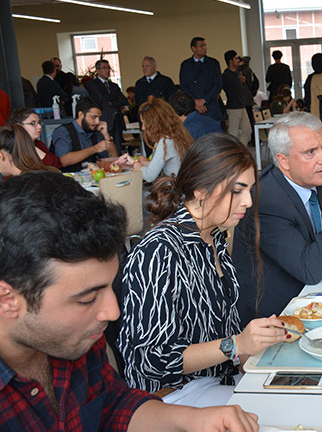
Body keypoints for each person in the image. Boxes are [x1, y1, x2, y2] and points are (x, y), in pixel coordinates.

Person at [0, 171, 260, 431]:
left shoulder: (76, 340)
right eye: (88, 298)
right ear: (7, 299)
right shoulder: (160, 250)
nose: (113, 312)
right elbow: (153, 360)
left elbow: (114, 404)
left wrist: (194, 419)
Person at [118, 134, 286, 394]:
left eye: (249, 190)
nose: (248, 202)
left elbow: (224, 336)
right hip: (172, 398)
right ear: (201, 191)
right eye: (237, 190)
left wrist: (253, 343)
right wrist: (236, 344)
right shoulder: (158, 251)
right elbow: (150, 360)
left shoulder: (215, 237)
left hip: (219, 384)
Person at [232, 112, 322, 325]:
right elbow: (309, 268)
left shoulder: (315, 180)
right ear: (284, 161)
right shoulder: (265, 201)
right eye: (310, 152)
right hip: (276, 316)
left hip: (315, 293)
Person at [133, 97, 193, 183]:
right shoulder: (176, 136)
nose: (143, 127)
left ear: (154, 123)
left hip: (175, 191)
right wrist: (143, 163)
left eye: (144, 123)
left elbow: (149, 176)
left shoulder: (166, 142)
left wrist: (134, 163)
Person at [51, 97, 118, 172]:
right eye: (94, 117)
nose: (97, 122)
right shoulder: (63, 131)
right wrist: (95, 149)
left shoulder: (95, 131)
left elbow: (113, 160)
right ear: (81, 114)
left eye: (99, 118)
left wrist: (106, 135)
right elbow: (64, 161)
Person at [84, 59, 128, 153]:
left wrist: (110, 102)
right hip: (104, 119)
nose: (107, 70)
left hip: (116, 119)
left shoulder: (114, 86)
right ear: (98, 70)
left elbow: (124, 100)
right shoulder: (92, 84)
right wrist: (114, 98)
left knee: (118, 147)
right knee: (105, 146)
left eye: (108, 68)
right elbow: (100, 98)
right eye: (104, 68)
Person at [179, 36, 223, 121]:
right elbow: (184, 86)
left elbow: (218, 85)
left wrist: (204, 100)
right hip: (192, 109)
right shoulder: (186, 65)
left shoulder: (213, 63)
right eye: (201, 46)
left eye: (205, 45)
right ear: (193, 48)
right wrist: (194, 102)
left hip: (210, 107)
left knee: (214, 133)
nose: (204, 48)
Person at [222, 50, 253, 145]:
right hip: (233, 107)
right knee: (233, 133)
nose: (238, 60)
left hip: (242, 105)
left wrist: (242, 81)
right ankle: (233, 154)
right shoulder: (226, 75)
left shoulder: (238, 73)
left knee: (247, 130)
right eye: (235, 58)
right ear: (230, 61)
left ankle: (241, 151)